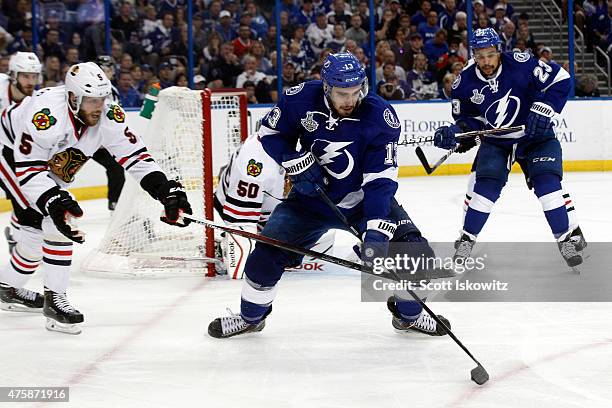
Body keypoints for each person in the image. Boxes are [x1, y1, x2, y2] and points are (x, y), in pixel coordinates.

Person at [208, 52, 450, 339]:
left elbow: (380, 181)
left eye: (355, 91)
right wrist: (292, 158)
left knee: (416, 254)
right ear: (326, 87)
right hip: (308, 200)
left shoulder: (380, 116)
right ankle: (250, 318)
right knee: (266, 254)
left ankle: (409, 315)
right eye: (341, 93)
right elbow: (270, 133)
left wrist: (375, 231)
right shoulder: (299, 99)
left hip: (361, 201)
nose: (350, 100)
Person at [0, 62, 193, 334]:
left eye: (101, 99)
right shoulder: (44, 116)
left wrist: (164, 190)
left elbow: (135, 156)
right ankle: (54, 300)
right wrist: (52, 201)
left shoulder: (107, 113)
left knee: (36, 232)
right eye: (91, 100)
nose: (98, 106)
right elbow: (29, 168)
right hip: (10, 153)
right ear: (72, 97)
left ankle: (7, 287)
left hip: (47, 162)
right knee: (52, 221)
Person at [433, 28, 586, 267]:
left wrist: (546, 107)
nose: (486, 61)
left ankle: (565, 238)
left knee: (548, 186)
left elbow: (561, 79)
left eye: (491, 55)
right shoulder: (463, 83)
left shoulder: (521, 64)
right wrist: (457, 132)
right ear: (473, 54)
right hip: (498, 142)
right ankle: (466, 239)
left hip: (536, 136)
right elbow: (471, 121)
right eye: (480, 56)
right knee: (484, 190)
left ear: (499, 51)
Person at [0, 52, 42, 254]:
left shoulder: (33, 102)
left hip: (8, 151)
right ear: (13, 75)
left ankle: (16, 238)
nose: (31, 81)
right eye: (26, 76)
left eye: (34, 76)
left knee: (25, 195)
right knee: (23, 197)